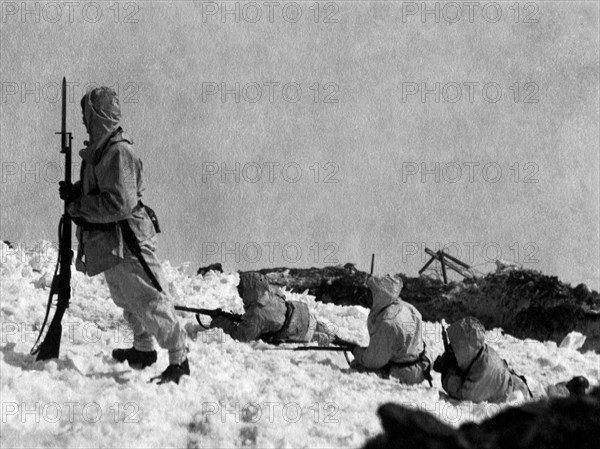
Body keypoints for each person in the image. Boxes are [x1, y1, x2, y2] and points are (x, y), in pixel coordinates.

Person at [59, 86, 189, 384]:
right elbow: (102, 188)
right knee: (126, 298)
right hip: (112, 239)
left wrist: (79, 206)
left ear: (99, 116)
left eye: (87, 114)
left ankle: (179, 359)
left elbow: (120, 203)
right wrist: (77, 192)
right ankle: (144, 349)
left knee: (149, 298)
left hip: (129, 238)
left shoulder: (119, 151)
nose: (83, 121)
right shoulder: (102, 150)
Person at [210, 272, 337, 344]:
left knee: (321, 339)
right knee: (327, 332)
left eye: (242, 289)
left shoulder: (256, 313)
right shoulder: (271, 292)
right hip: (304, 315)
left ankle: (331, 341)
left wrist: (221, 321)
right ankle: (338, 339)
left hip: (295, 331)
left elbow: (243, 336)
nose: (240, 292)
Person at [350, 274, 433, 385]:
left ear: (380, 295)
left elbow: (374, 360)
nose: (367, 296)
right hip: (421, 366)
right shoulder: (409, 308)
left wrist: (356, 351)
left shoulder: (387, 322)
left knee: (357, 365)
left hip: (404, 373)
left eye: (371, 292)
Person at [433, 316, 532, 403]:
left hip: (517, 396)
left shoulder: (482, 372)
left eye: (456, 346)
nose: (453, 348)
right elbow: (463, 361)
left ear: (465, 347)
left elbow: (461, 393)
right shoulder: (478, 351)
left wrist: (447, 373)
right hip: (513, 382)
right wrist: (448, 359)